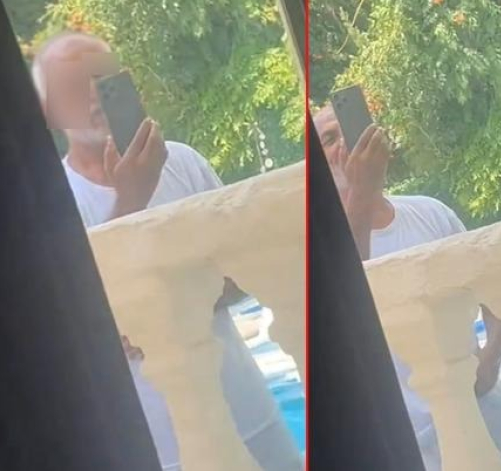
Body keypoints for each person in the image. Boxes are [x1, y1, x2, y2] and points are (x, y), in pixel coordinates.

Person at [32, 31, 301, 470]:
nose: (94, 96)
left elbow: (244, 273)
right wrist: (132, 198)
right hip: (165, 446)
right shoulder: (53, 206)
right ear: (49, 110)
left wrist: (165, 305)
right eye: (75, 88)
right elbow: (96, 333)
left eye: (104, 79)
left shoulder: (182, 162)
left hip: (251, 412)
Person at [314, 105, 501, 471]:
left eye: (348, 129)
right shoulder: (323, 248)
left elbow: (492, 289)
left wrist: (492, 358)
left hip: (490, 416)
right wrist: (360, 193)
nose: (344, 144)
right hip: (417, 444)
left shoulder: (430, 213)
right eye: (328, 139)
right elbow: (345, 303)